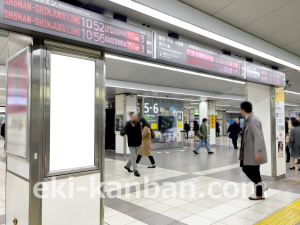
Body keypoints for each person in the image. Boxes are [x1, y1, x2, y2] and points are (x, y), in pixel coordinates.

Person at [239, 101, 267, 200]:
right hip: (248, 151)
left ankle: (261, 186)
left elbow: (258, 137)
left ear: (243, 109)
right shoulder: (248, 119)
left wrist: (257, 152)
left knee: (246, 168)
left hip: (252, 152)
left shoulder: (253, 120)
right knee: (255, 172)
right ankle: (259, 194)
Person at [121, 112, 142, 177]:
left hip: (138, 143)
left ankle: (127, 166)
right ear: (131, 117)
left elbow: (139, 133)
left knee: (134, 156)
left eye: (136, 116)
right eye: (134, 116)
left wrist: (140, 141)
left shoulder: (138, 123)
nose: (136, 117)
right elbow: (124, 133)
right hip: (131, 143)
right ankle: (135, 170)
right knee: (134, 157)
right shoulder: (128, 124)